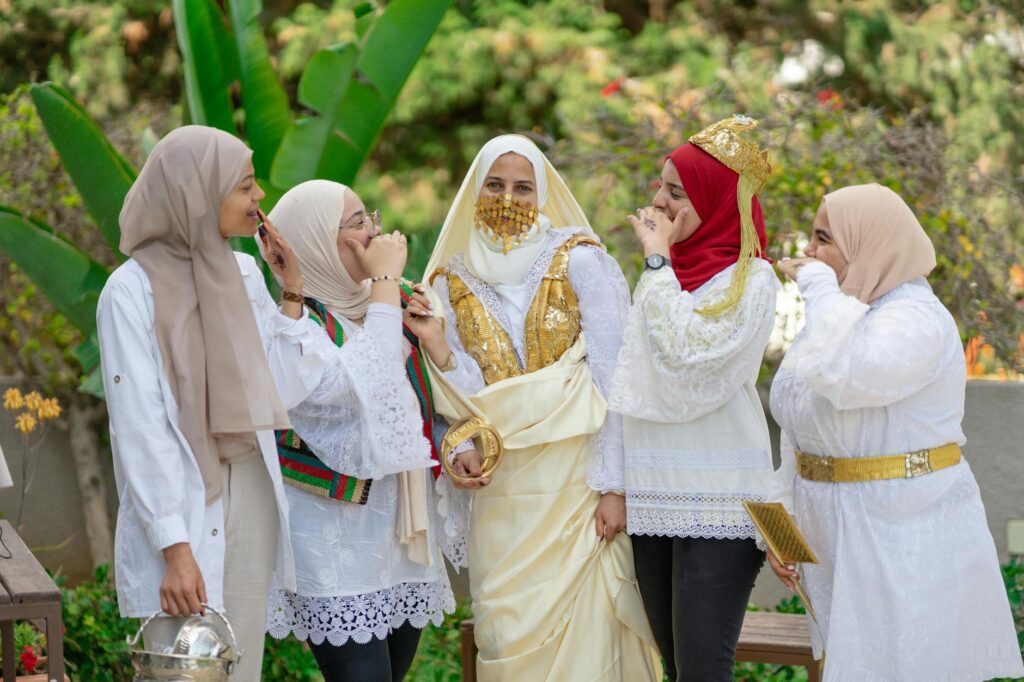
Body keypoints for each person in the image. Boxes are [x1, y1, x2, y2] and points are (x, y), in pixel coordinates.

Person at [405, 134, 660, 681]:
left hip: (577, 486)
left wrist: (616, 488)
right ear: (475, 190)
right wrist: (440, 349)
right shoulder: (449, 281)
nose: (509, 198)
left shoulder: (581, 260)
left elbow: (617, 378)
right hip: (503, 494)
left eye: (523, 187)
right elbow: (462, 398)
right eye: (494, 185)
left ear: (541, 194)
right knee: (505, 632)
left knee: (590, 640)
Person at [768, 183, 1024, 681]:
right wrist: (782, 527)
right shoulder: (842, 315)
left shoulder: (916, 319)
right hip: (835, 542)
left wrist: (818, 287)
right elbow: (798, 423)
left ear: (868, 243)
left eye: (823, 239)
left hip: (900, 541)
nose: (808, 253)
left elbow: (850, 377)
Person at [96, 125, 325, 680]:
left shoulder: (244, 273)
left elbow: (284, 390)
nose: (258, 199)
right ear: (198, 193)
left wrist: (291, 290)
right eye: (245, 186)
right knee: (184, 668)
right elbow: (140, 428)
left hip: (250, 489)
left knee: (237, 663)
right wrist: (174, 548)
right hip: (182, 504)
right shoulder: (129, 292)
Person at [262, 180, 456, 681]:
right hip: (336, 547)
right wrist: (386, 284)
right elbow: (355, 388)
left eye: (368, 217)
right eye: (355, 224)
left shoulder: (403, 302)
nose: (373, 231)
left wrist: (460, 441)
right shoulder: (294, 325)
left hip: (405, 541)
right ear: (314, 244)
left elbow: (436, 404)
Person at [608, 115, 779, 681]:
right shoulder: (668, 275)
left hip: (722, 499)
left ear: (716, 199)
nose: (658, 201)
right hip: (656, 491)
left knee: (705, 670)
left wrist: (656, 263)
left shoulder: (753, 280)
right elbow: (630, 382)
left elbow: (689, 360)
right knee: (676, 666)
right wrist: (615, 484)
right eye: (660, 186)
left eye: (676, 191)